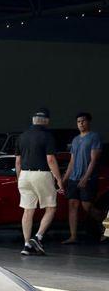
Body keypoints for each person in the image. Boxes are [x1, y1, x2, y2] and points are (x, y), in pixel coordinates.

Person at [15, 107, 64, 256]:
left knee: (27, 211)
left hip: (24, 175)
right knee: (51, 207)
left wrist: (19, 179)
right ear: (47, 121)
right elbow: (50, 159)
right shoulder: (47, 136)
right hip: (41, 174)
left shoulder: (21, 137)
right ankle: (38, 237)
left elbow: (18, 162)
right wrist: (59, 180)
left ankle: (26, 245)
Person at [62, 112, 103, 244]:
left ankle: (107, 225)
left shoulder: (94, 137)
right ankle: (73, 236)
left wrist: (85, 177)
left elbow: (93, 160)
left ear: (88, 122)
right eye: (79, 121)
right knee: (72, 206)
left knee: (87, 207)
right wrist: (64, 179)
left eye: (83, 121)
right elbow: (72, 162)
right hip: (74, 178)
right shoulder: (75, 140)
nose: (81, 123)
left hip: (88, 179)